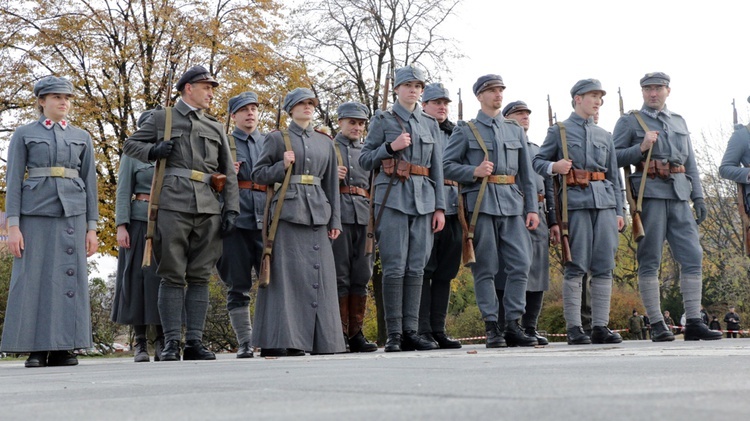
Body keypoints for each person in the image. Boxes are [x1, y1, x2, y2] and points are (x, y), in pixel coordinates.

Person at [124, 65, 240, 361]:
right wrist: (154, 151)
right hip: (172, 204)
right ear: (189, 88)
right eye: (206, 88)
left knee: (200, 276)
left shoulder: (215, 127)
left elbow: (227, 170)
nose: (211, 93)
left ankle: (194, 343)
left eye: (212, 88)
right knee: (172, 275)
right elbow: (131, 145)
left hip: (208, 206)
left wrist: (231, 208)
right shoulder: (163, 119)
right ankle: (172, 343)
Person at [613, 72, 721, 342]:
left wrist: (699, 197)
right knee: (650, 259)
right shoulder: (630, 121)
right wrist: (641, 147)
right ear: (642, 92)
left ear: (668, 91)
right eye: (648, 89)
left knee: (693, 256)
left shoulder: (678, 121)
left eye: (658, 88)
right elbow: (611, 157)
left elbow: (691, 163)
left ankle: (694, 321)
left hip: (679, 194)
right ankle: (658, 323)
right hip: (649, 195)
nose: (653, 93)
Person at [0, 76, 99, 368]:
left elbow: (90, 183)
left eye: (67, 97)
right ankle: (36, 348)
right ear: (42, 101)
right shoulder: (23, 134)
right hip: (35, 212)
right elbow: (14, 180)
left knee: (69, 276)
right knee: (34, 278)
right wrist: (12, 227)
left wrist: (92, 227)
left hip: (74, 213)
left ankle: (64, 348)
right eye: (56, 97)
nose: (63, 102)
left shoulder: (82, 137)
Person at [444, 74, 539, 348]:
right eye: (492, 91)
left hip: (512, 204)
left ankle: (513, 324)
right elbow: (446, 165)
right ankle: (492, 327)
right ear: (480, 96)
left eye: (500, 90)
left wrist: (531, 208)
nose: (498, 95)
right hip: (481, 205)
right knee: (485, 267)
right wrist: (472, 171)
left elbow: (527, 175)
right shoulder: (466, 130)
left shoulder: (514, 129)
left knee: (521, 263)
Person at [250, 88, 345, 356]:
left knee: (319, 277)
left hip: (318, 213)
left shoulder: (326, 142)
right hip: (287, 213)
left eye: (311, 103)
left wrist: (334, 219)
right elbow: (258, 175)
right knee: (287, 280)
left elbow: (331, 185)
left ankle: (320, 342)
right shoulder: (277, 138)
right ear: (290, 109)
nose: (307, 107)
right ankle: (283, 341)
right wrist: (281, 166)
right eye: (301, 104)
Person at [359, 65, 445, 352]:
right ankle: (394, 333)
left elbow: (438, 169)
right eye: (408, 85)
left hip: (424, 199)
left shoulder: (430, 123)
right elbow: (365, 159)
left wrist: (440, 208)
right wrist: (390, 147)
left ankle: (412, 331)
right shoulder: (382, 119)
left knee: (417, 267)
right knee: (395, 267)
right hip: (392, 197)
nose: (413, 90)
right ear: (396, 89)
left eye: (418, 86)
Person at [533, 78, 624, 345]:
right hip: (575, 205)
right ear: (577, 99)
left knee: (605, 266)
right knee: (576, 265)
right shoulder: (558, 131)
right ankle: (574, 327)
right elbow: (537, 161)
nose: (597, 102)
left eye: (600, 97)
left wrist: (620, 210)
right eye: (593, 96)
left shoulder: (604, 135)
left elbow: (614, 177)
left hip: (605, 204)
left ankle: (600, 326)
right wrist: (554, 167)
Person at [496, 100, 554, 346]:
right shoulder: (504, 145)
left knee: (538, 270)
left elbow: (549, 187)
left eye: (527, 113)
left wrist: (553, 221)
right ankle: (506, 325)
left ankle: (530, 326)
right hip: (511, 209)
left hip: (538, 211)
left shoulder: (538, 150)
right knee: (508, 269)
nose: (524, 117)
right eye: (519, 113)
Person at [215, 92, 266, 359]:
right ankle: (245, 341)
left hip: (266, 219)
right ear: (233, 116)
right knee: (238, 285)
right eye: (244, 109)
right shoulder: (224, 143)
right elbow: (209, 179)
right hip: (235, 219)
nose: (250, 113)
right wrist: (224, 174)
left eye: (254, 109)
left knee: (272, 283)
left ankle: (271, 338)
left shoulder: (270, 142)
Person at [110, 109, 163, 363]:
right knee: (137, 280)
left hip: (168, 221)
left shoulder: (171, 151)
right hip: (139, 221)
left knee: (164, 279)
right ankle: (141, 342)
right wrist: (122, 225)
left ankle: (165, 340)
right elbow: (123, 191)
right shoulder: (132, 153)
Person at [331, 101, 378, 353]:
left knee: (362, 275)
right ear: (340, 122)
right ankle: (338, 332)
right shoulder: (329, 147)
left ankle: (356, 333)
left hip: (365, 215)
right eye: (352, 122)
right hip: (339, 215)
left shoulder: (368, 151)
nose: (357, 127)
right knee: (340, 275)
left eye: (361, 123)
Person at [418, 83, 462, 349]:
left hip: (455, 208)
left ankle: (438, 329)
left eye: (444, 102)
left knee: (446, 271)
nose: (442, 106)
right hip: (425, 206)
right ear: (424, 105)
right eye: (436, 102)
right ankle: (421, 329)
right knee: (424, 269)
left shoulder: (457, 133)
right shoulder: (417, 128)